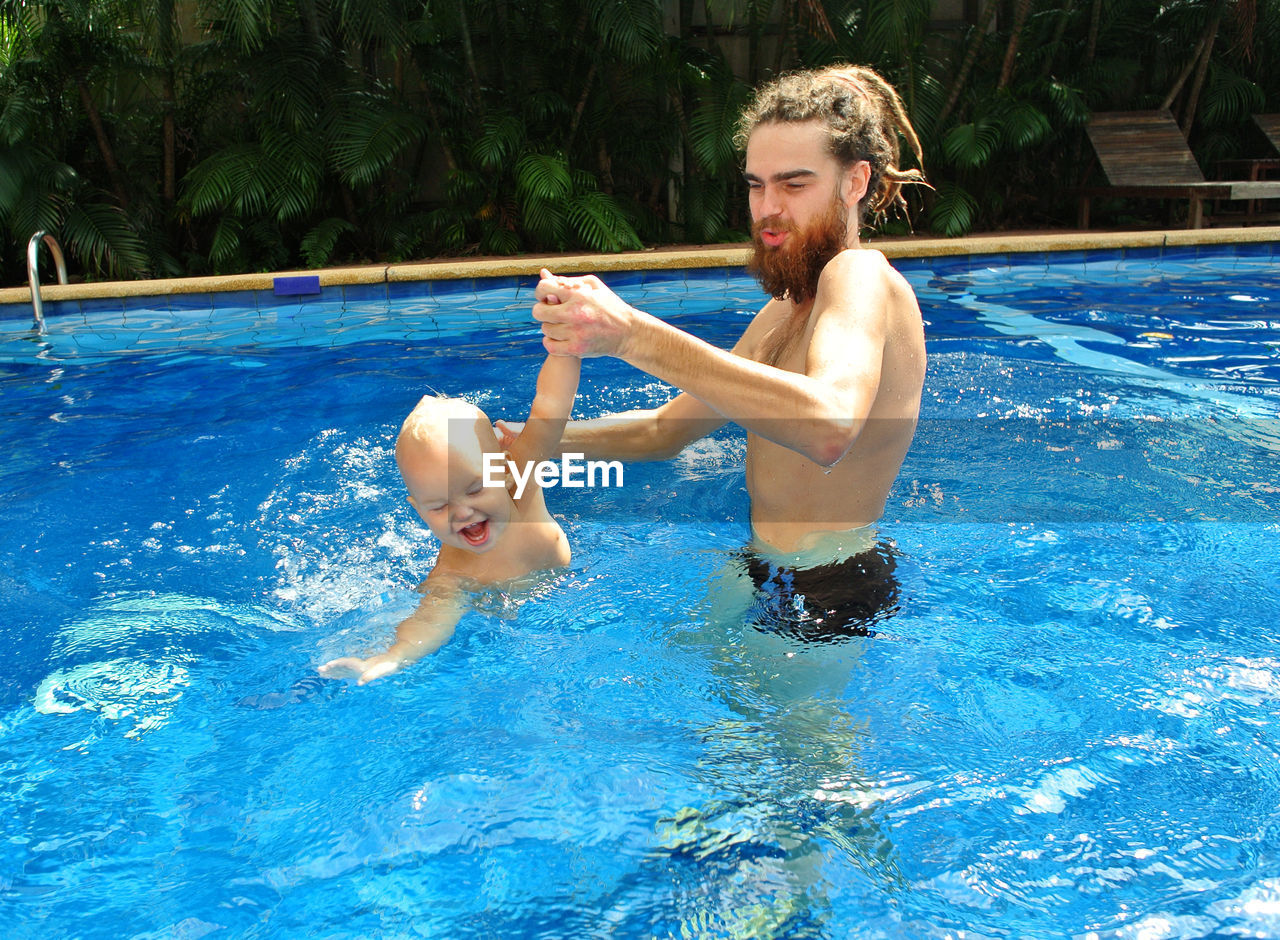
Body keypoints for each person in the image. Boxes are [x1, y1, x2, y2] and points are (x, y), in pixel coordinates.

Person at [513, 65, 928, 642]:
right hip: (757, 565)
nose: (768, 208)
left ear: (854, 181)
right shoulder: (784, 312)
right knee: (711, 726)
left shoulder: (861, 275)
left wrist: (633, 334)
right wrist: (520, 440)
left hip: (832, 582)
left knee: (794, 736)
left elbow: (830, 424)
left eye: (794, 184)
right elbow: (664, 431)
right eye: (757, 185)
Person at [321, 331, 580, 683]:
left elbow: (552, 406)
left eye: (474, 491)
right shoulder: (452, 572)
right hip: (503, 610)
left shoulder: (520, 481)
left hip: (564, 580)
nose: (461, 513)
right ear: (419, 512)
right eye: (439, 506)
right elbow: (429, 622)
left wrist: (567, 342)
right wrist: (393, 657)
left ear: (501, 470)